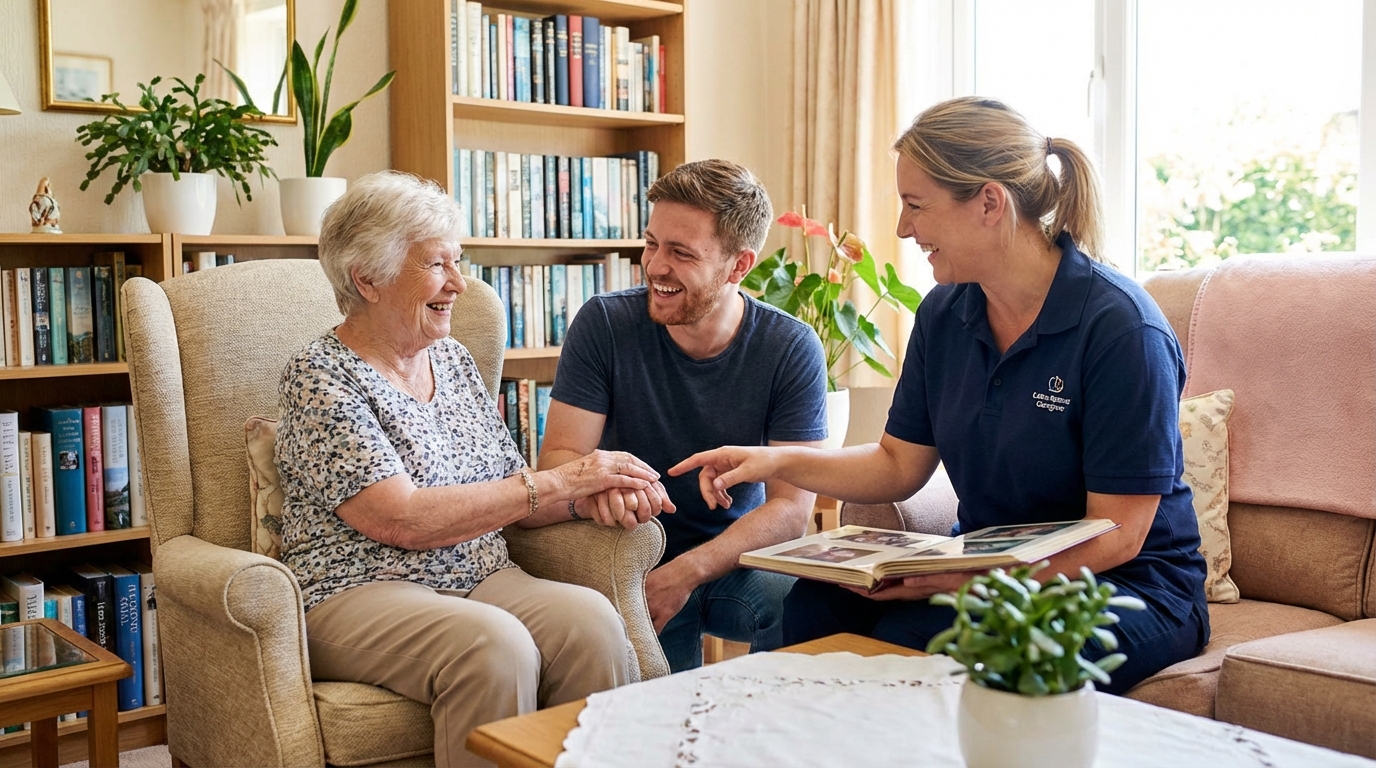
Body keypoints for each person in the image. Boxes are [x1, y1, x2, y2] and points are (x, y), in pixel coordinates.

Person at [671, 97, 1209, 695]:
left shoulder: (1121, 329)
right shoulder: (945, 313)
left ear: (989, 203)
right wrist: (776, 461)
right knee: (816, 605)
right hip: (985, 565)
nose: (904, 228)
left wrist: (970, 584)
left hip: (1124, 586)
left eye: (916, 205)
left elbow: (1119, 533)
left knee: (918, 638)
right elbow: (898, 465)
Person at [274, 171, 659, 767]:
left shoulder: (452, 360)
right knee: (492, 645)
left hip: (477, 573)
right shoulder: (320, 375)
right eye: (437, 265)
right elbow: (400, 519)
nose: (458, 283)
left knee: (592, 622)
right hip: (356, 589)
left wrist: (592, 493)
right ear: (367, 279)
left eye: (457, 261)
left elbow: (514, 495)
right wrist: (562, 479)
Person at [538, 159, 829, 672]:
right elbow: (559, 460)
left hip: (732, 558)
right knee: (663, 706)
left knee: (806, 601)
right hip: (629, 554)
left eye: (681, 252)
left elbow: (790, 508)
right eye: (652, 243)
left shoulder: (790, 346)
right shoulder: (605, 323)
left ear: (739, 266)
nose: (655, 266)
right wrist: (600, 488)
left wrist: (687, 572)